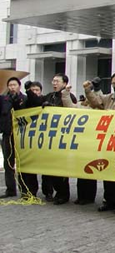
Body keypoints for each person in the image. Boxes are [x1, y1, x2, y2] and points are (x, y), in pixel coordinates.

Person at [26, 73, 77, 205]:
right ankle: (54, 192)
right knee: (52, 169)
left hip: (62, 138)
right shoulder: (50, 95)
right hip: (50, 138)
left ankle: (63, 195)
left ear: (65, 83)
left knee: (61, 170)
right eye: (53, 81)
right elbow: (36, 101)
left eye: (57, 81)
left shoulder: (69, 97)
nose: (54, 83)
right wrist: (29, 91)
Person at [85, 73, 115, 214]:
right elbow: (96, 103)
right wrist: (89, 90)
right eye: (112, 83)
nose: (114, 86)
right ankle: (109, 200)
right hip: (107, 140)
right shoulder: (109, 97)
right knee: (107, 171)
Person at [60, 84, 97, 205]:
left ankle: (89, 197)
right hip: (80, 143)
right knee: (81, 171)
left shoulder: (98, 108)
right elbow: (69, 106)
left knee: (90, 172)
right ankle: (81, 196)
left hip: (91, 143)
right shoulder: (80, 106)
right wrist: (65, 93)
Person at [23, 81, 54, 201]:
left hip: (44, 139)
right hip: (30, 138)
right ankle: (31, 191)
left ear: (40, 91)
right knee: (31, 168)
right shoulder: (27, 102)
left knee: (46, 168)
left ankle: (48, 192)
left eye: (36, 90)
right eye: (32, 90)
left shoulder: (44, 100)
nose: (34, 92)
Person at [0, 77, 26, 198]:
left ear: (19, 86)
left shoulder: (24, 99)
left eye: (14, 85)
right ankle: (10, 189)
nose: (12, 87)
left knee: (23, 162)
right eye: (10, 85)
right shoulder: (4, 99)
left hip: (22, 135)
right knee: (8, 162)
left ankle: (25, 189)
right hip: (7, 134)